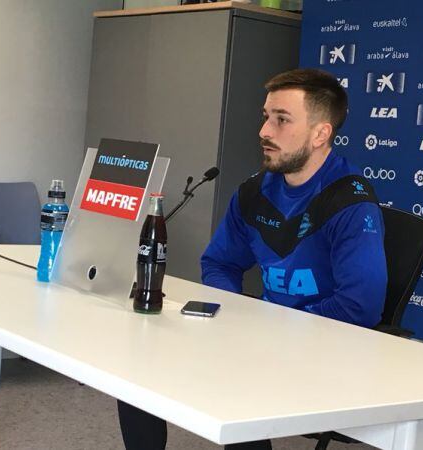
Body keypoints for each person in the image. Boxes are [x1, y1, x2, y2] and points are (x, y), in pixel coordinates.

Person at [117, 68, 387, 450]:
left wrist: (273, 330)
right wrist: (234, 315)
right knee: (139, 364)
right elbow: (220, 264)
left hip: (326, 355)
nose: (264, 131)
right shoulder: (254, 192)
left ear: (321, 133)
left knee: (238, 385)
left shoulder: (350, 202)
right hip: (262, 340)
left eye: (282, 119)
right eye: (266, 116)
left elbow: (360, 306)